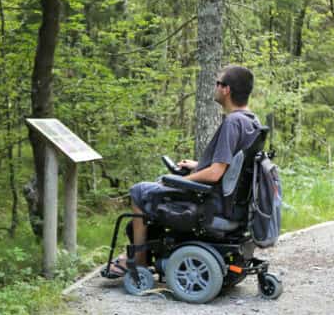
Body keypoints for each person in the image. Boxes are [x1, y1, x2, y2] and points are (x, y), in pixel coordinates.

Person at [106, 65, 262, 277]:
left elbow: (216, 173)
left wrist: (182, 180)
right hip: (234, 204)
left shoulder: (232, 123)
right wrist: (198, 166)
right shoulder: (252, 121)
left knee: (139, 191)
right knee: (159, 187)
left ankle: (139, 261)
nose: (214, 87)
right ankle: (140, 252)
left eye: (217, 83)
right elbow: (234, 167)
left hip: (213, 204)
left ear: (226, 89)